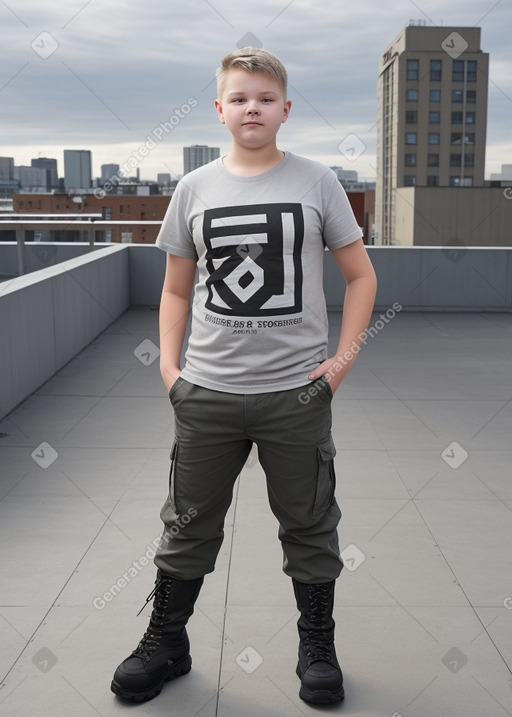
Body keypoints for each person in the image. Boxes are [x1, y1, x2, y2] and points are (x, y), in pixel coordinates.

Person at [111, 47, 377, 706]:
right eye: (239, 98)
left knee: (310, 523)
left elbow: (361, 276)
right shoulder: (194, 189)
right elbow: (175, 290)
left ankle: (318, 645)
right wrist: (171, 370)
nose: (251, 107)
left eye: (264, 97)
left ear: (285, 109)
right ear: (220, 109)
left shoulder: (318, 182)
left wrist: (338, 366)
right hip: (207, 395)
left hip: (297, 396)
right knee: (187, 523)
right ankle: (166, 640)